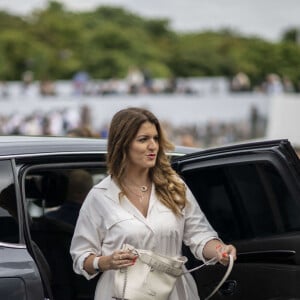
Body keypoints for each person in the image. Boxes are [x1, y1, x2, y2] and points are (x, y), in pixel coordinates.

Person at [70, 107, 237, 300]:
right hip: (121, 293)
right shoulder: (99, 196)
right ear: (123, 144)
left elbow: (200, 235)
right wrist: (106, 262)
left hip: (174, 292)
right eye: (143, 139)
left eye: (155, 138)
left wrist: (220, 251)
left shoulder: (175, 187)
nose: (153, 146)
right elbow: (81, 256)